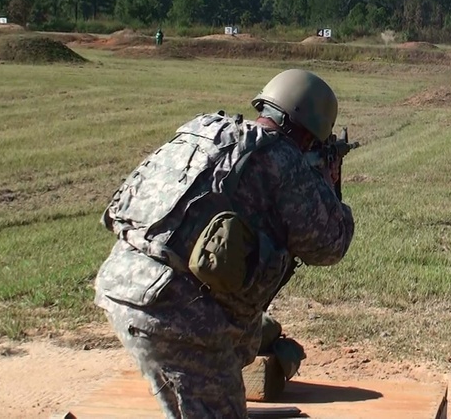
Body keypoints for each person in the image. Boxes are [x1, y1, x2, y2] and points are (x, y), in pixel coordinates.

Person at [93, 69, 356, 418]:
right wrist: (328, 185)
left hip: (124, 280)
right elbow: (329, 245)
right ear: (310, 136)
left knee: (240, 345)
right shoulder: (286, 161)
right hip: (176, 315)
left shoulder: (207, 129)